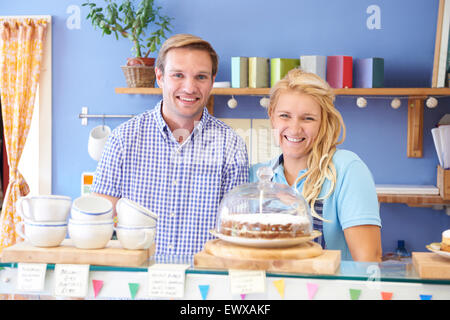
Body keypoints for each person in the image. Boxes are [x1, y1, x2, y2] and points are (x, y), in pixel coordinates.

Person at [91, 34, 249, 256]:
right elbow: (96, 223)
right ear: (160, 76)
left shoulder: (230, 145)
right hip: (134, 287)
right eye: (178, 75)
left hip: (203, 286)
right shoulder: (123, 140)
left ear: (212, 82)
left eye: (200, 77)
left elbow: (236, 232)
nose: (189, 87)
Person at [250, 69, 382, 262]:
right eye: (285, 116)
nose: (295, 128)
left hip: (331, 290)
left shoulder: (346, 169)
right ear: (272, 116)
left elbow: (368, 259)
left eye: (308, 118)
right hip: (269, 290)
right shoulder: (256, 175)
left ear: (324, 121)